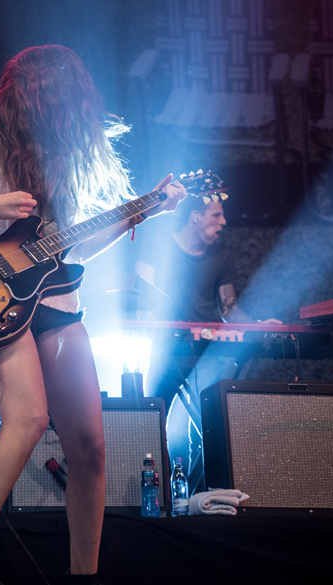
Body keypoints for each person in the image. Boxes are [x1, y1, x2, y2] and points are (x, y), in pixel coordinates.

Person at [0, 46, 185, 585]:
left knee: (91, 447)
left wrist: (145, 210)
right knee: (26, 421)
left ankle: (83, 576)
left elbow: (62, 254)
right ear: (21, 96)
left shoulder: (55, 157)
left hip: (54, 304)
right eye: (46, 105)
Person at [132, 196, 280, 490]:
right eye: (216, 215)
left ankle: (201, 494)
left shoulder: (222, 256)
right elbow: (139, 297)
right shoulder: (159, 249)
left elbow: (229, 310)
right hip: (165, 350)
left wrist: (257, 326)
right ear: (195, 216)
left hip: (206, 351)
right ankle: (152, 492)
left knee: (206, 425)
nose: (223, 222)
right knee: (150, 415)